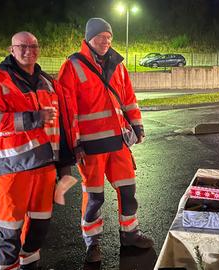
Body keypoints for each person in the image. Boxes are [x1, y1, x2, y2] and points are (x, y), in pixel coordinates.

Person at [0, 31, 77, 270]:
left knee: (39, 227)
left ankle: (30, 265)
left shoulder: (47, 82)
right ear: (12, 49)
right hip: (13, 169)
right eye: (22, 46)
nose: (28, 50)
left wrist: (65, 165)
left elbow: (60, 125)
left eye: (33, 46)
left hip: (44, 168)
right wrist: (31, 119)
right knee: (9, 231)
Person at [58, 18, 153, 263]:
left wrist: (137, 126)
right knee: (94, 197)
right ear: (89, 38)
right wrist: (73, 144)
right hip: (90, 147)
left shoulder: (117, 65)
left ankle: (130, 234)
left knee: (128, 191)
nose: (106, 41)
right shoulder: (72, 66)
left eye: (109, 37)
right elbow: (68, 110)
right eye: (101, 37)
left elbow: (129, 98)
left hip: (118, 142)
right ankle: (92, 243)